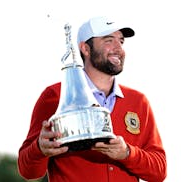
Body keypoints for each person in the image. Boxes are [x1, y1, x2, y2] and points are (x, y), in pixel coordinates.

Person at [17, 16, 167, 182]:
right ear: (85, 49)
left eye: (121, 41)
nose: (118, 48)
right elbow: (27, 171)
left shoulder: (138, 101)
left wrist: (126, 153)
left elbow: (159, 171)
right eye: (109, 40)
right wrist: (40, 149)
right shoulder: (55, 95)